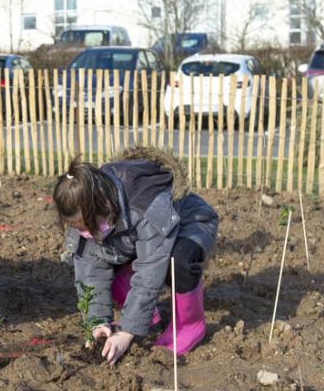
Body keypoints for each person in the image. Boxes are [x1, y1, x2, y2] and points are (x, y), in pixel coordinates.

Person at [54, 146, 219, 365]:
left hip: (189, 223)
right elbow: (91, 274)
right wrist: (98, 322)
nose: (84, 232)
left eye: (85, 226)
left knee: (177, 261)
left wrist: (127, 331)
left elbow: (149, 272)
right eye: (77, 227)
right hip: (137, 237)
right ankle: (148, 316)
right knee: (109, 268)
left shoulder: (147, 208)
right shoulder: (92, 215)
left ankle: (189, 324)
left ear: (102, 205)